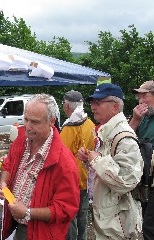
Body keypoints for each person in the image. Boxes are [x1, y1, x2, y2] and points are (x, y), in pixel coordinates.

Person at [0, 94, 80, 240]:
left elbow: (66, 209)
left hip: (42, 232)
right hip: (15, 223)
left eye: (34, 122)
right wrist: (3, 183)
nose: (27, 127)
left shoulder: (65, 163)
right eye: (26, 119)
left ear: (51, 122)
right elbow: (8, 164)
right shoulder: (22, 139)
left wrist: (27, 212)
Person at [77, 83, 143, 239]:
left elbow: (127, 180)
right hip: (109, 218)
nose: (93, 106)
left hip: (117, 223)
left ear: (115, 107)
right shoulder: (108, 131)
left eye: (98, 102)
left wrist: (97, 160)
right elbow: (110, 167)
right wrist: (89, 160)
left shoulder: (124, 136)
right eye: (92, 102)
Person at [60, 90, 95, 240]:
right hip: (86, 178)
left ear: (67, 106)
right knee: (83, 215)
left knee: (70, 217)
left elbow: (62, 156)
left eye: (63, 103)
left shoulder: (69, 128)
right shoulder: (90, 123)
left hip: (71, 180)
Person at [129, 80, 154, 240]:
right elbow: (126, 137)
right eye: (139, 97)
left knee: (149, 227)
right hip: (145, 180)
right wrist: (136, 119)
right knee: (147, 220)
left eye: (144, 96)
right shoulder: (143, 117)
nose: (140, 101)